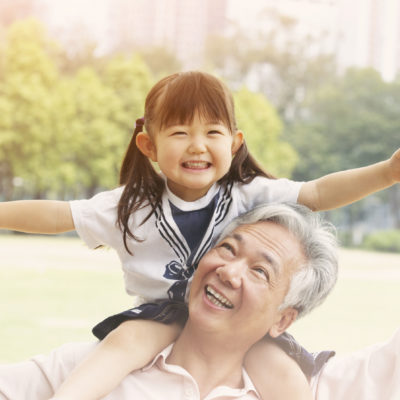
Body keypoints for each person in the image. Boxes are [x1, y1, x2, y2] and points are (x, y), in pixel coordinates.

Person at [0, 70, 399, 400]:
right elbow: (56, 215)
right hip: (159, 315)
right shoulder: (129, 206)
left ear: (235, 142)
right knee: (120, 347)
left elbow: (317, 193)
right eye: (179, 133)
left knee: (284, 373)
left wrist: (386, 173)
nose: (197, 146)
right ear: (148, 145)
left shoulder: (247, 194)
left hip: (233, 324)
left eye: (212, 132)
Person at [0, 203, 340, 399]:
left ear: (282, 320)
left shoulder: (291, 388)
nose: (228, 272)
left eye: (260, 271)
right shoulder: (91, 368)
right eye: (227, 248)